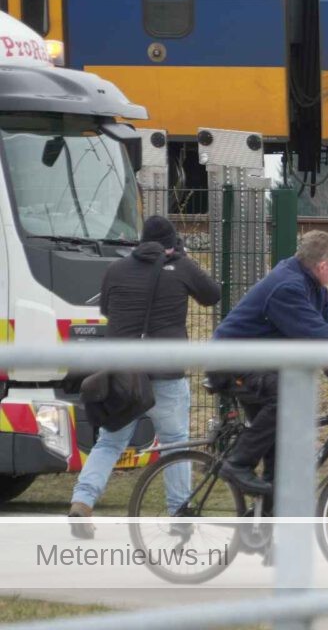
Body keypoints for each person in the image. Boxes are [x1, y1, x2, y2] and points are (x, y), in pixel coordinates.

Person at [68, 216, 220, 538]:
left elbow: (107, 309)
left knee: (109, 441)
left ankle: (82, 501)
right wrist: (182, 261)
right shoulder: (181, 267)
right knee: (175, 443)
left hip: (124, 372)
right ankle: (179, 512)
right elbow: (212, 295)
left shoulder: (116, 269)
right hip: (165, 370)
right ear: (172, 242)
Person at [212, 231, 328, 497]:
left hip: (258, 365)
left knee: (279, 453)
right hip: (231, 363)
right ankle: (238, 463)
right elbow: (317, 336)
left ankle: (265, 528)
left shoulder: (315, 289)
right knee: (287, 394)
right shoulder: (288, 287)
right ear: (323, 266)